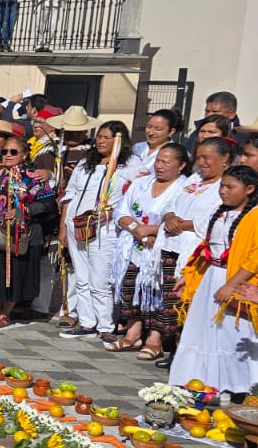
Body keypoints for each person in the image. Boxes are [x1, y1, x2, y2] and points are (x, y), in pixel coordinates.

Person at [169, 166, 258, 397]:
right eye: (222, 186)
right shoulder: (218, 212)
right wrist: (188, 275)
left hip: (237, 281)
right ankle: (201, 381)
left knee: (232, 333)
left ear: (249, 189)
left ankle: (238, 386)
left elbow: (255, 257)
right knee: (203, 330)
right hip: (210, 278)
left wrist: (231, 285)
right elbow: (206, 248)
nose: (223, 191)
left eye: (230, 187)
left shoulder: (254, 216)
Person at [153, 139, 237, 366]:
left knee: (189, 302)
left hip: (196, 250)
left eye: (206, 157)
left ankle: (187, 354)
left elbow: (216, 216)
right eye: (198, 157)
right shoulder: (194, 179)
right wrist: (170, 217)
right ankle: (176, 351)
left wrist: (184, 224)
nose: (200, 162)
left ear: (225, 158)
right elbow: (171, 201)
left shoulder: (226, 184)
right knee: (171, 301)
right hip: (172, 244)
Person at [58, 119, 138, 339]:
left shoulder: (131, 166)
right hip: (76, 225)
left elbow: (132, 197)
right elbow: (70, 194)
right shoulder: (86, 164)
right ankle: (86, 322)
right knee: (81, 276)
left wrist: (110, 213)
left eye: (107, 137)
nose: (101, 141)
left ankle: (105, 325)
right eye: (99, 137)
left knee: (99, 279)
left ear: (119, 140)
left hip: (105, 229)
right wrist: (63, 227)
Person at [109, 143, 191, 358]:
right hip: (134, 245)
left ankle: (154, 339)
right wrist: (137, 229)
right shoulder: (142, 183)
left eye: (166, 161)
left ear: (181, 165)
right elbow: (121, 210)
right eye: (158, 160)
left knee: (156, 292)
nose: (160, 165)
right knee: (130, 286)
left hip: (161, 248)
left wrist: (154, 230)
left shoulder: (183, 188)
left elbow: (178, 218)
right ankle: (132, 332)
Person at [0, 137, 57, 328]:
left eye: (13, 152)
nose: (8, 155)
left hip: (21, 234)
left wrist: (23, 211)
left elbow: (48, 203)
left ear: (24, 155)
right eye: (5, 151)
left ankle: (6, 311)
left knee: (16, 273)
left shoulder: (33, 176)